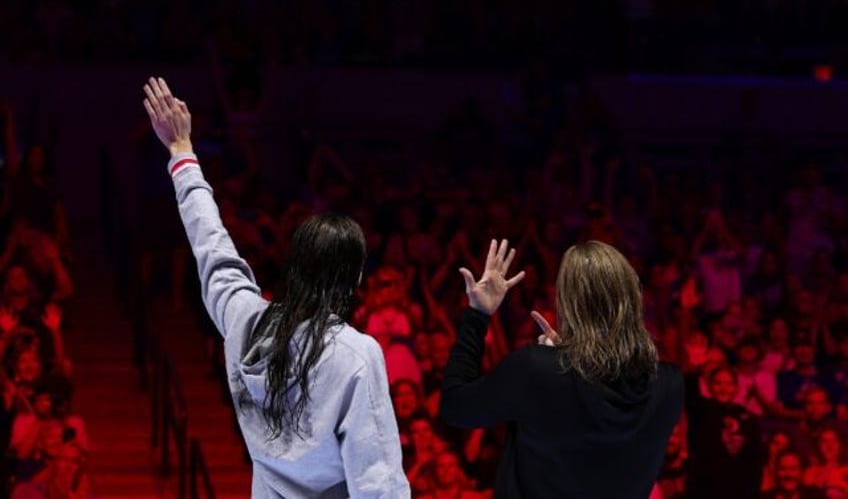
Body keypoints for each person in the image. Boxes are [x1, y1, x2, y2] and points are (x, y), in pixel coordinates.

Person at [141, 77, 409, 498]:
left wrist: (182, 154)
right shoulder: (357, 356)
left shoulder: (247, 323)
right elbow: (379, 485)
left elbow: (212, 247)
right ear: (355, 278)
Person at [439, 239, 684, 498]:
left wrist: (477, 315)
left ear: (568, 303)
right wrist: (566, 358)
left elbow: (456, 407)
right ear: (633, 299)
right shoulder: (670, 384)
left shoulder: (535, 368)